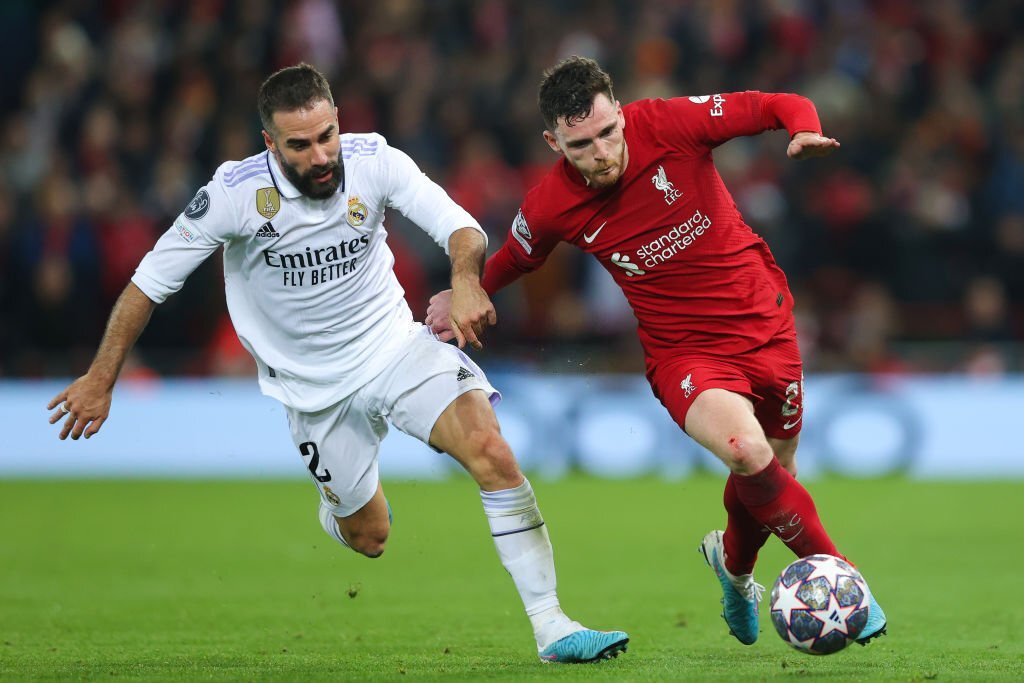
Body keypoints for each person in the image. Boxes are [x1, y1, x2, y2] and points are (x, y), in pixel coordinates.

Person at [46, 63, 628, 664]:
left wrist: (465, 281)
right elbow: (148, 285)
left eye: (327, 135)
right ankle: (340, 508)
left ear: (337, 121)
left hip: (395, 349)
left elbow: (460, 226)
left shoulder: (375, 160)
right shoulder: (233, 195)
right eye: (300, 145)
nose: (321, 155)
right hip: (313, 391)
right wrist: (101, 379)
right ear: (270, 143)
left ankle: (552, 625)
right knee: (370, 537)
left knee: (492, 450)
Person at [426, 56, 887, 646]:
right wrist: (466, 289)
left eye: (607, 132)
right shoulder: (551, 203)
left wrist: (802, 128)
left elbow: (773, 104)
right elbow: (516, 258)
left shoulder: (669, 123)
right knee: (745, 450)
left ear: (621, 113)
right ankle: (849, 584)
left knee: (776, 466)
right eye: (580, 144)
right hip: (684, 354)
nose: (601, 153)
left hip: (766, 324)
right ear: (553, 142)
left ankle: (734, 570)